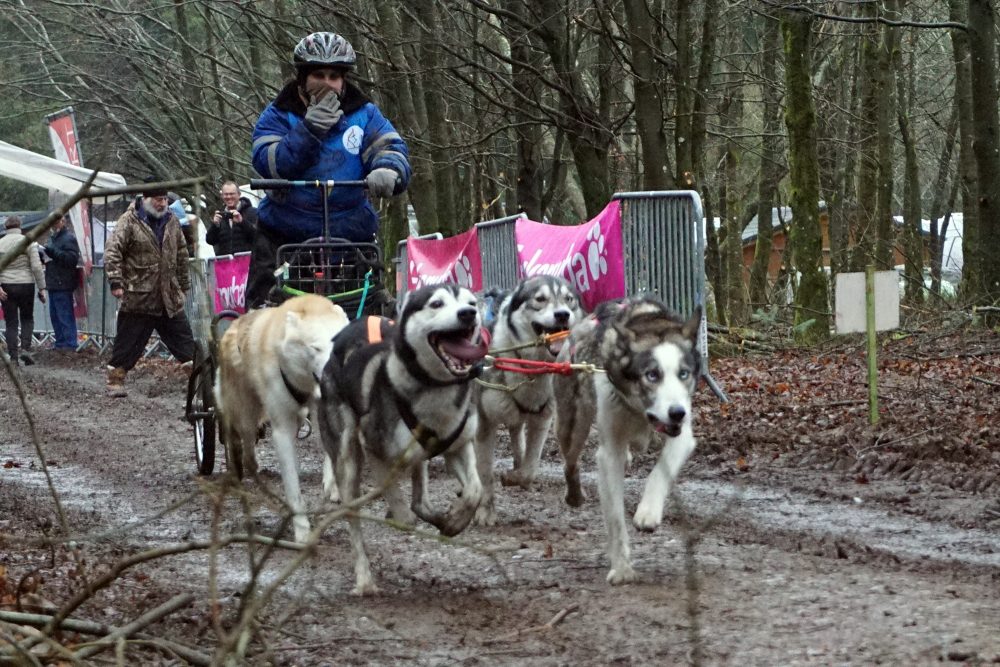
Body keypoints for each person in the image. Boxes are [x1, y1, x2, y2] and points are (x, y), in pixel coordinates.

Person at [246, 31, 412, 307]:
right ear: (302, 77)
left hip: (350, 232)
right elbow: (268, 162)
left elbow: (389, 146)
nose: (327, 83)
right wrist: (308, 131)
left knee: (370, 315)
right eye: (318, 75)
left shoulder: (364, 113)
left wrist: (389, 168)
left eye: (334, 76)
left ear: (343, 80)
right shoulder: (277, 115)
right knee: (262, 314)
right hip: (286, 233)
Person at [103, 182, 195, 397]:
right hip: (138, 293)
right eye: (158, 200)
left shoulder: (171, 220)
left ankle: (200, 381)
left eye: (165, 199)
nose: (163, 203)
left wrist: (184, 284)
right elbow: (112, 251)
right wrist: (116, 282)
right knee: (128, 342)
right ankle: (115, 380)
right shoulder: (129, 221)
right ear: (146, 199)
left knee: (185, 342)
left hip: (168, 295)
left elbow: (181, 253)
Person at [0, 215, 47, 365]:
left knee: (11, 322)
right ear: (20, 227)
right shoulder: (29, 242)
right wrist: (42, 288)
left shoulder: (0, 244)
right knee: (27, 318)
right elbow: (36, 267)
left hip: (6, 285)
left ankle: (13, 356)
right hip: (26, 284)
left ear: (5, 228)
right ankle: (25, 350)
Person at [43, 215, 81, 352]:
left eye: (56, 222)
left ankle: (70, 344)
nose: (53, 225)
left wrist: (51, 251)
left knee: (64, 315)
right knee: (55, 316)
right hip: (54, 281)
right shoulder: (54, 239)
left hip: (62, 282)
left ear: (63, 222)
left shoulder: (68, 238)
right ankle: (60, 343)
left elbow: (71, 259)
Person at [206, 181, 257, 256]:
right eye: (226, 194)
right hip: (225, 264)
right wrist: (215, 225)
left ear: (239, 195)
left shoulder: (252, 212)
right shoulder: (220, 216)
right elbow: (210, 241)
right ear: (222, 196)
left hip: (247, 262)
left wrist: (242, 222)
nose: (229, 197)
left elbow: (258, 237)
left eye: (232, 194)